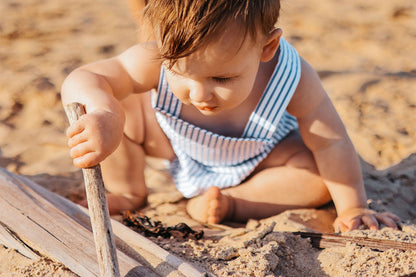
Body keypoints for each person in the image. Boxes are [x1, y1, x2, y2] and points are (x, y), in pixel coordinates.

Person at [61, 0, 400, 232]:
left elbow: (331, 142)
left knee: (319, 176)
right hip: (177, 146)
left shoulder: (291, 76)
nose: (199, 94)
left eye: (221, 79)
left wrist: (353, 207)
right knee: (123, 108)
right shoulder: (156, 56)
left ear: (267, 48)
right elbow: (84, 77)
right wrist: (105, 110)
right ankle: (129, 191)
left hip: (261, 158)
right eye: (179, 74)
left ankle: (233, 203)